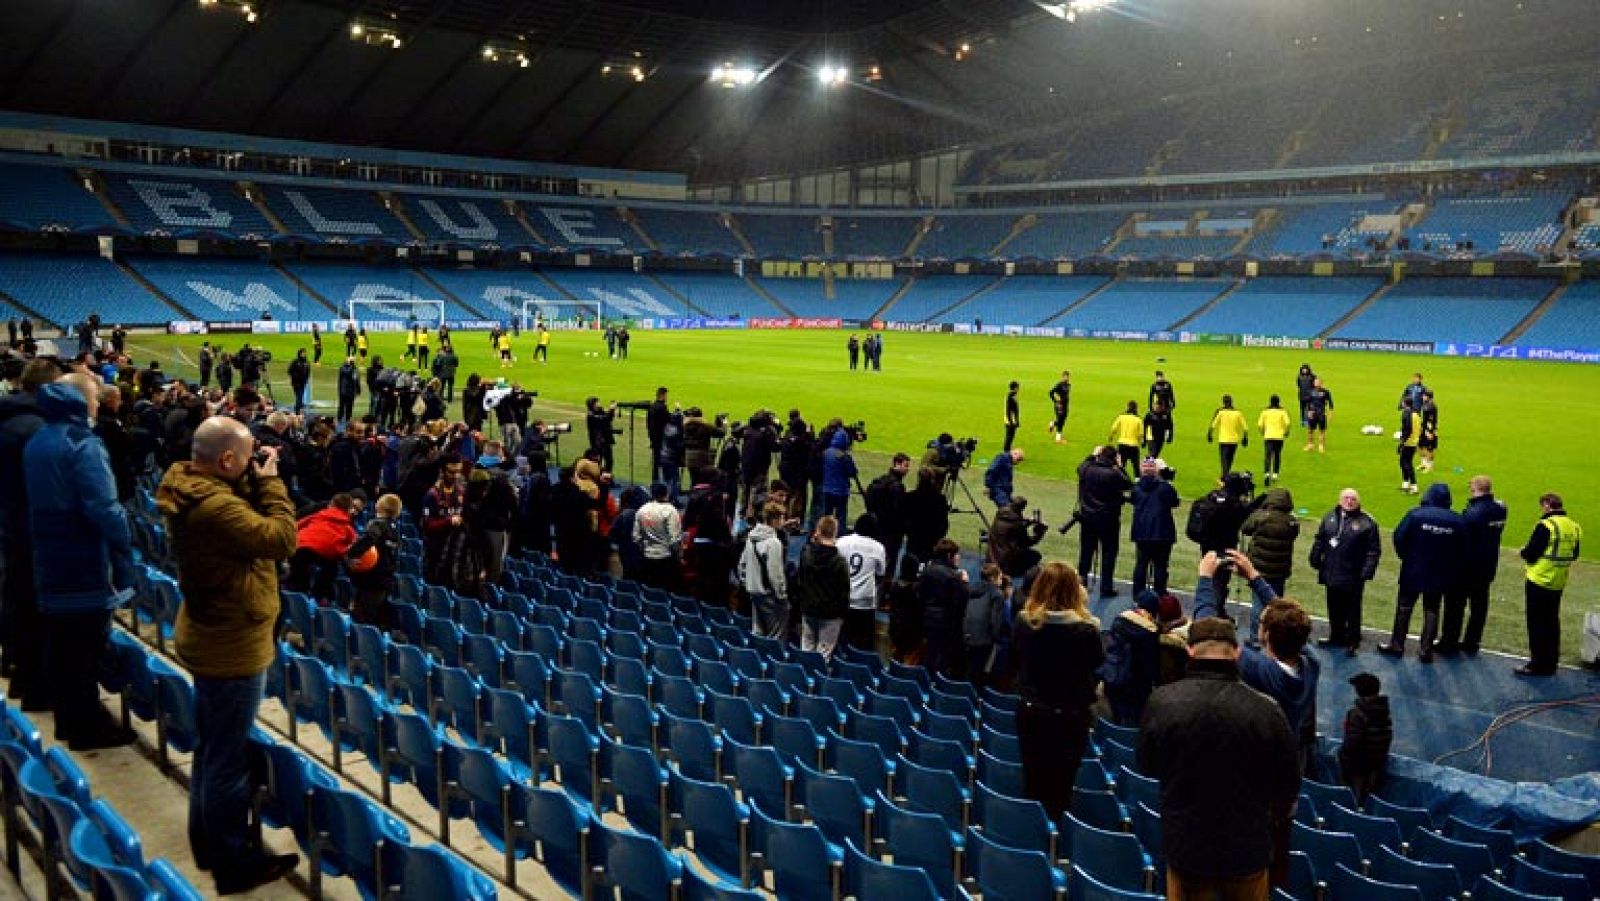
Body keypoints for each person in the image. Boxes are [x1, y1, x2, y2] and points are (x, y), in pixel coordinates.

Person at [156, 417, 299, 893]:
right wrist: (273, 484)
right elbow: (280, 539)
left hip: (213, 631)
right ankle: (232, 860)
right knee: (226, 758)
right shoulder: (215, 507)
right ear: (227, 461)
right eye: (246, 456)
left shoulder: (198, 489)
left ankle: (210, 843)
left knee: (214, 748)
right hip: (231, 644)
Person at [1138, 611, 1301, 900]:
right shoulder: (1266, 710)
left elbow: (1146, 764)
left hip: (1186, 847)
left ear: (1190, 651)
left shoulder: (1162, 701)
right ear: (1236, 654)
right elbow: (1288, 784)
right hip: (1246, 850)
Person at [25, 375, 138, 749]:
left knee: (63, 647)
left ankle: (69, 719)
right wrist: (124, 543)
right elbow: (103, 507)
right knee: (83, 649)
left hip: (50, 557)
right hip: (82, 562)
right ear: (78, 401)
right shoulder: (82, 444)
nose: (96, 403)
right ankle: (85, 726)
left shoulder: (39, 439)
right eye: (92, 397)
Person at [1194, 551, 1321, 772]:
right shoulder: (1311, 663)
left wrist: (1205, 579)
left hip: (1248, 758)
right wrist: (1254, 577)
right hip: (1284, 754)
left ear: (1268, 635)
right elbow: (1287, 617)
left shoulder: (1258, 669)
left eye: (1262, 622)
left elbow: (1207, 635)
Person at [1012, 561, 1103, 821]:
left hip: (1032, 711)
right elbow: (1096, 663)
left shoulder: (1024, 623)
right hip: (1069, 715)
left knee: (1034, 777)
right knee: (1061, 784)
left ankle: (1035, 836)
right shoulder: (1086, 630)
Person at [1379, 483, 1466, 663]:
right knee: (1432, 609)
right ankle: (1426, 650)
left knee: (1404, 608)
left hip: (1413, 569)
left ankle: (1397, 645)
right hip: (1440, 573)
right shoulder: (1457, 521)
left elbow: (1399, 537)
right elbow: (1463, 549)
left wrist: (1407, 557)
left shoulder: (1416, 514)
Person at [1436, 476, 1507, 655]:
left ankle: (1449, 642)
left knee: (1454, 606)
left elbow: (1462, 541)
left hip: (1467, 567)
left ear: (1474, 488)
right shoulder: (1500, 509)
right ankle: (1472, 642)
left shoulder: (1473, 514)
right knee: (1479, 606)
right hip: (1488, 565)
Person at [1309, 489, 1382, 655]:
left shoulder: (1367, 523)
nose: (1349, 501)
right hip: (1331, 572)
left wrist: (1366, 572)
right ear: (1340, 500)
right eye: (1346, 498)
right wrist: (1314, 558)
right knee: (1333, 607)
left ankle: (1352, 640)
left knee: (1352, 609)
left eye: (1353, 499)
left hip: (1353, 575)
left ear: (1358, 502)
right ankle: (1336, 636)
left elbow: (1373, 550)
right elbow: (1320, 539)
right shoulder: (1329, 517)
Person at [1516, 492, 1580, 676]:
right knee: (1552, 622)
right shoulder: (1573, 526)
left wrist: (1522, 552)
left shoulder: (1545, 526)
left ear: (1546, 505)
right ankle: (1551, 662)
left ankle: (1536, 664)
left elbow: (1530, 553)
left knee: (1536, 623)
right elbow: (1574, 554)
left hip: (1539, 579)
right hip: (1558, 580)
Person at [1185, 471, 1253, 610]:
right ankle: (1213, 612)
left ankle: (1214, 609)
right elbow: (1246, 520)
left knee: (1209, 576)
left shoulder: (1212, 497)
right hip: (1225, 546)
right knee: (1220, 581)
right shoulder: (1234, 504)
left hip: (1207, 544)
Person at [1241, 486, 1299, 634]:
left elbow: (1245, 528)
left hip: (1259, 568)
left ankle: (1256, 636)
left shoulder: (1261, 516)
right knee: (1276, 604)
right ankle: (1273, 634)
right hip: (1280, 570)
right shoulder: (1292, 521)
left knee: (1258, 604)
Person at [1102, 589, 1164, 727]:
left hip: (1114, 680)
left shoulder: (1118, 622)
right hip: (1136, 690)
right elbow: (1151, 668)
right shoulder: (1150, 634)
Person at [1077, 445, 1131, 599]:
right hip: (1108, 519)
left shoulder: (1087, 469)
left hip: (1087, 517)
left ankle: (1081, 583)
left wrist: (1091, 455)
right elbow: (1128, 484)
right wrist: (1120, 466)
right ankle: (1106, 587)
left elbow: (1080, 467)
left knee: (1086, 552)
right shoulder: (1113, 474)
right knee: (1109, 553)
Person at [794, 515, 850, 659]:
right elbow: (844, 592)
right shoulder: (839, 562)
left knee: (806, 650)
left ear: (818, 530)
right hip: (830, 615)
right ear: (835, 532)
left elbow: (800, 580)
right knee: (823, 657)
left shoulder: (806, 553)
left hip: (808, 609)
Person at [287, 493, 360, 603]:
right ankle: (321, 597)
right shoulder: (347, 526)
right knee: (331, 568)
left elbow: (296, 526)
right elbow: (356, 543)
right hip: (327, 554)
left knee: (299, 574)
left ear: (331, 504)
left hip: (301, 548)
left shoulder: (319, 515)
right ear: (348, 510)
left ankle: (297, 595)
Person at [348, 493, 402, 629]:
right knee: (374, 619)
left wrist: (350, 553)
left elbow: (368, 538)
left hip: (370, 579)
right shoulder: (395, 530)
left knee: (362, 619)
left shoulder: (377, 524)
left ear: (379, 506)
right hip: (385, 580)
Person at [1338, 673, 1393, 806]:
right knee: (1368, 796)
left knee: (1353, 798)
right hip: (1377, 761)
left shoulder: (1357, 713)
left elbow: (1352, 743)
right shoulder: (1384, 711)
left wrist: (1342, 756)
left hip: (1358, 763)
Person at [837, 513, 888, 650]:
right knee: (863, 645)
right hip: (864, 602)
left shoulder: (841, 541)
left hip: (841, 598)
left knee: (840, 642)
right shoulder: (878, 547)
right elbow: (880, 574)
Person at [918, 538, 968, 676]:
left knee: (930, 653)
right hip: (945, 622)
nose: (959, 558)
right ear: (949, 556)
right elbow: (961, 601)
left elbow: (920, 594)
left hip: (927, 618)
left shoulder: (927, 571)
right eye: (957, 554)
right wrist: (964, 583)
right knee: (941, 658)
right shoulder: (953, 577)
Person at [1130, 458, 1179, 596]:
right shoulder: (1165, 487)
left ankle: (1138, 593)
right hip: (1162, 531)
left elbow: (1133, 500)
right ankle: (1160, 593)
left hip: (1142, 531)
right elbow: (1175, 502)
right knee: (1161, 565)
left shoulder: (1136, 488)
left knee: (1141, 563)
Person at [740, 504, 790, 639]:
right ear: (774, 520)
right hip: (769, 596)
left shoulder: (751, 537)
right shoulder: (773, 543)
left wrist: (749, 584)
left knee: (758, 633)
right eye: (782, 518)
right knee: (776, 636)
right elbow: (776, 575)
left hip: (754, 593)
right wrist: (782, 596)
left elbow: (742, 565)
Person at [864, 453, 910, 579]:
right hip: (891, 532)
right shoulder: (897, 486)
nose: (908, 469)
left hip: (877, 527)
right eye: (906, 466)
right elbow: (898, 512)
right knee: (889, 563)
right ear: (897, 464)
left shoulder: (879, 481)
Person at [963, 564, 1010, 690]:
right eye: (1000, 577)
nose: (1001, 580)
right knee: (980, 676)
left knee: (970, 671)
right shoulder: (997, 594)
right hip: (984, 641)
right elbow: (995, 623)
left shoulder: (972, 589)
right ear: (992, 578)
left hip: (967, 636)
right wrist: (997, 640)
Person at [634, 482, 683, 592]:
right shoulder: (670, 510)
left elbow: (636, 536)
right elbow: (674, 539)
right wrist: (677, 557)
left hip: (647, 556)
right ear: (666, 494)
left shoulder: (642, 509)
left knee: (649, 590)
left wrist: (644, 549)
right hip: (665, 558)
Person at [988, 495, 1045, 586]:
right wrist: (1040, 532)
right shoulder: (1017, 523)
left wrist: (1028, 522)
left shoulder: (1000, 514)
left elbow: (1012, 527)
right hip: (1006, 562)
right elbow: (1029, 542)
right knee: (1035, 555)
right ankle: (1023, 579)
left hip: (992, 556)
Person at [902, 468, 950, 567]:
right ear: (932, 480)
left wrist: (908, 531)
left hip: (914, 538)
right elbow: (943, 522)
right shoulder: (940, 499)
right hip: (932, 539)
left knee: (911, 562)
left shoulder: (910, 497)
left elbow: (904, 519)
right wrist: (940, 535)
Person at [820, 428, 857, 524]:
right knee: (840, 517)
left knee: (826, 515)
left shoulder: (826, 452)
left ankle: (824, 533)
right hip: (840, 491)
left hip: (827, 489)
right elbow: (852, 472)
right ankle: (839, 535)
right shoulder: (844, 456)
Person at [1208, 394, 1248, 480]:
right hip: (1234, 440)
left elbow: (1213, 425)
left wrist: (1209, 434)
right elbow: (1245, 427)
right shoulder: (1238, 413)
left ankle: (1225, 477)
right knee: (1230, 460)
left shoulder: (1221, 413)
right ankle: (1226, 476)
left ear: (1223, 402)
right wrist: (1245, 438)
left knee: (1224, 460)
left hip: (1223, 440)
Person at [1257, 395, 1291, 485]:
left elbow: (1260, 424)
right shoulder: (1282, 411)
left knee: (1268, 455)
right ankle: (1275, 474)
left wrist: (1262, 432)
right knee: (1277, 455)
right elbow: (1287, 423)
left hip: (1268, 436)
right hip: (1279, 436)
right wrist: (1286, 431)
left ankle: (1267, 474)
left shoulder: (1265, 412)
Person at [1109, 401, 1143, 476]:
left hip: (1122, 444)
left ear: (1127, 407)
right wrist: (1140, 442)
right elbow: (1141, 434)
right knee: (1136, 466)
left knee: (1121, 465)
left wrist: (1111, 437)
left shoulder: (1121, 417)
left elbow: (1114, 428)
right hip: (1133, 445)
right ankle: (1138, 481)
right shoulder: (1138, 419)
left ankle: (1119, 480)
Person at [586, 397, 618, 473]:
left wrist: (612, 410)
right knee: (597, 461)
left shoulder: (600, 411)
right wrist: (611, 409)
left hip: (605, 440)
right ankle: (597, 477)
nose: (599, 404)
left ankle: (607, 476)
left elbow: (608, 418)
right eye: (597, 402)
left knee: (609, 460)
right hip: (597, 442)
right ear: (593, 405)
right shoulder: (590, 415)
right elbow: (604, 419)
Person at [1300, 377, 1332, 453]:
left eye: (1318, 382)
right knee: (1310, 430)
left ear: (1321, 383)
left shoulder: (1326, 392)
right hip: (1312, 414)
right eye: (1315, 382)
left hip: (1321, 414)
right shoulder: (1310, 391)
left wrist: (1330, 414)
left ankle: (1321, 446)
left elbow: (1331, 404)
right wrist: (1308, 412)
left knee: (1322, 431)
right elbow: (1307, 403)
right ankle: (1310, 445)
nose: (1316, 383)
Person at [1397, 397, 1421, 494]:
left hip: (1408, 442)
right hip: (1414, 441)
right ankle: (1406, 484)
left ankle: (1414, 486)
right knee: (1404, 462)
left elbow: (1408, 429)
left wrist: (1402, 442)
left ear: (1405, 403)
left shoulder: (1407, 413)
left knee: (1406, 463)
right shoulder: (1416, 414)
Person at [646, 387, 670, 485]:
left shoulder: (652, 406)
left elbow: (648, 423)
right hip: (661, 437)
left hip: (653, 436)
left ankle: (655, 480)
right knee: (664, 460)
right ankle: (663, 482)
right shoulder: (662, 407)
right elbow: (668, 419)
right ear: (663, 395)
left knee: (656, 461)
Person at [1417, 390, 1439, 473]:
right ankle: (1423, 463)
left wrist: (1430, 432)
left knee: (1429, 448)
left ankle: (1430, 466)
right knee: (1420, 446)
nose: (1422, 397)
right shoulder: (1426, 404)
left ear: (1427, 396)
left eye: (1424, 396)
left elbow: (1431, 420)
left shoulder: (1431, 406)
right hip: (1423, 429)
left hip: (1428, 430)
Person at [1047, 370, 1071, 444]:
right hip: (1059, 406)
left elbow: (1066, 395)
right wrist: (1056, 401)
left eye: (1067, 376)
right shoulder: (1059, 385)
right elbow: (1051, 392)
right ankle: (1058, 439)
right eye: (1065, 376)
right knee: (1060, 421)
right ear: (1062, 377)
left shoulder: (1068, 385)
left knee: (1063, 421)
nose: (1066, 378)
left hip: (1065, 405)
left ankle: (1052, 424)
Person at [336, 356, 361, 424]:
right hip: (343, 390)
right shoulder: (343, 368)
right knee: (341, 406)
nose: (352, 362)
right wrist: (351, 366)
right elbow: (347, 372)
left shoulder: (355, 369)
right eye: (351, 360)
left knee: (349, 407)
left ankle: (348, 419)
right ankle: (339, 419)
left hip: (351, 391)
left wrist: (358, 389)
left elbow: (357, 379)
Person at [287, 349, 311, 414]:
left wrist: (306, 379)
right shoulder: (295, 362)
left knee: (300, 395)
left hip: (303, 382)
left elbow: (308, 371)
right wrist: (293, 378)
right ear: (299, 353)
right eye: (303, 353)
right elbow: (289, 371)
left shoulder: (306, 362)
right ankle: (298, 409)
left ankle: (298, 406)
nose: (304, 354)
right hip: (296, 382)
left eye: (305, 353)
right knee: (299, 395)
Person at [1294, 364, 1315, 428]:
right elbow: (1298, 385)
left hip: (1310, 396)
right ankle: (1302, 420)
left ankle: (1309, 421)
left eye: (1305, 369)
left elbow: (1315, 386)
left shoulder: (1312, 376)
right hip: (1302, 395)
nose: (1304, 370)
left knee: (1309, 409)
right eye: (1303, 369)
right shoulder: (1299, 376)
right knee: (1302, 409)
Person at [1002, 381, 1020, 452]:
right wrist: (1013, 420)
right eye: (1018, 387)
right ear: (1015, 388)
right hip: (1010, 420)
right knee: (1009, 436)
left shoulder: (1010, 395)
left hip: (1010, 419)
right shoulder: (1011, 396)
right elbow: (1010, 410)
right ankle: (1006, 451)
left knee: (1010, 436)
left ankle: (1007, 450)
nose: (1018, 389)